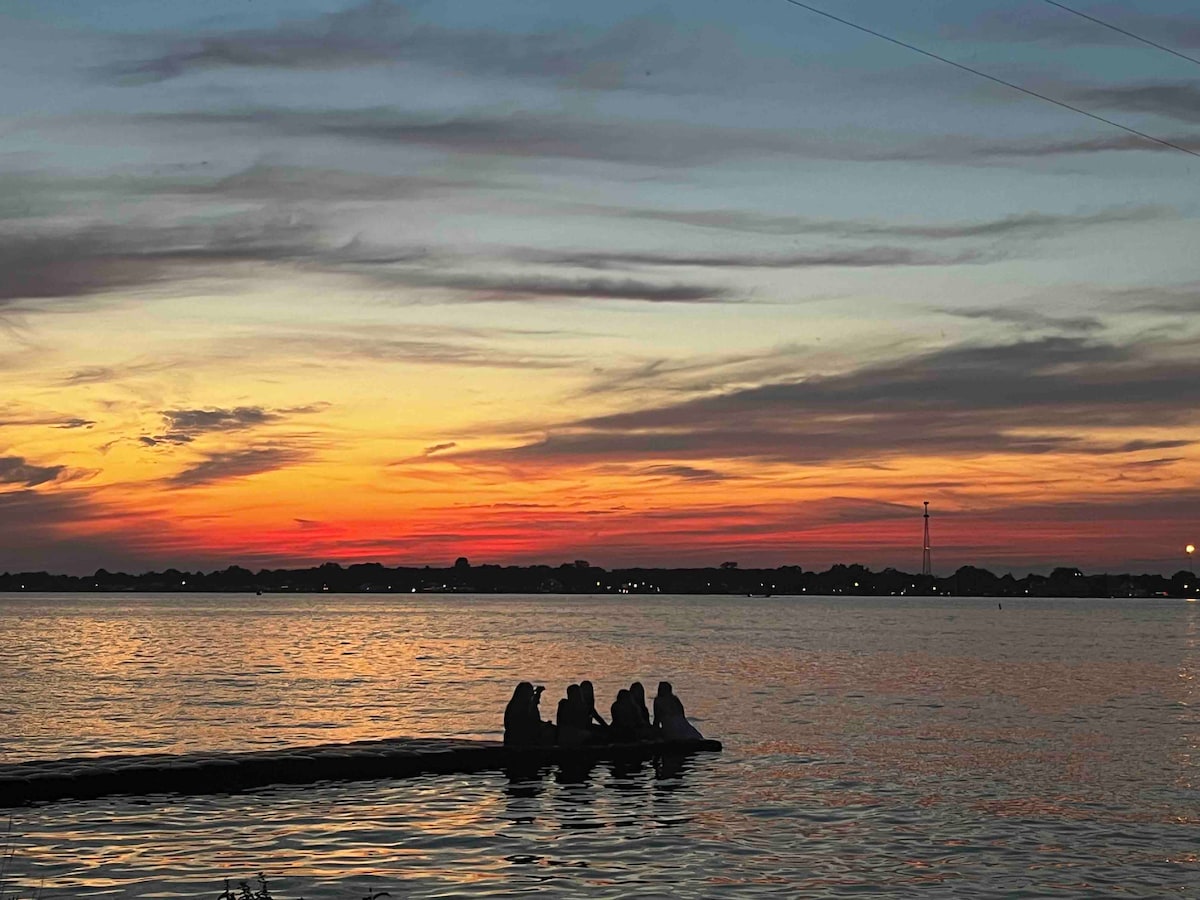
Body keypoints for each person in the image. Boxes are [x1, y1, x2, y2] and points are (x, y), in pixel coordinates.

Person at [504, 682, 550, 747]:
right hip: (519, 739)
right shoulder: (520, 707)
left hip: (515, 737)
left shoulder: (516, 705)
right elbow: (529, 724)